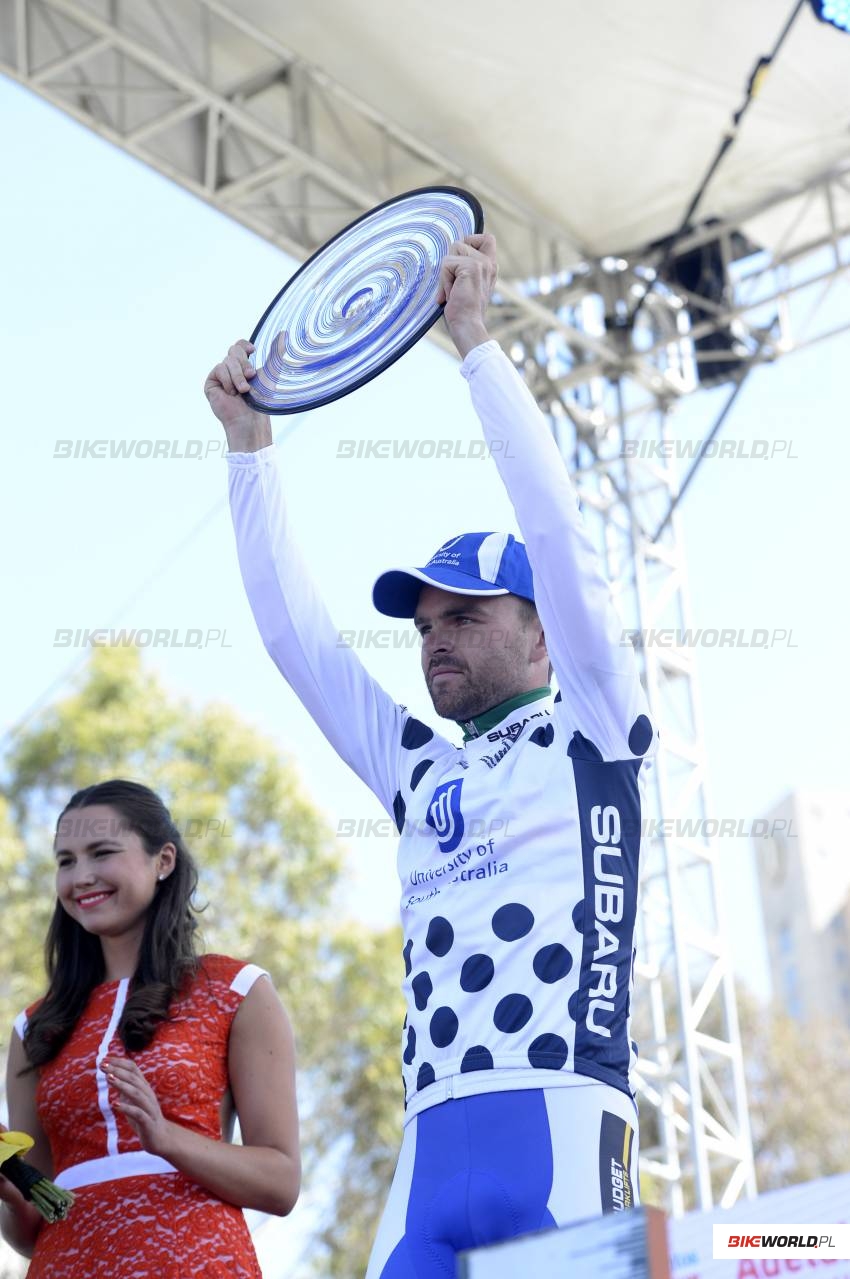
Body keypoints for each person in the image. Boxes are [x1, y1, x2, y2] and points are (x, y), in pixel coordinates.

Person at [205, 233, 658, 1276]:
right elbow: (295, 639)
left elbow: (557, 534)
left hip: (560, 1121)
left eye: (464, 615)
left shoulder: (593, 717)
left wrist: (474, 348)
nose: (435, 636)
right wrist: (247, 445)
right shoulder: (416, 767)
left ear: (542, 634)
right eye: (421, 625)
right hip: (426, 1152)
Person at [0, 779, 300, 1278]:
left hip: (197, 1261)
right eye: (66, 861)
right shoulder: (33, 1026)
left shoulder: (235, 989)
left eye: (102, 853)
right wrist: (13, 1192)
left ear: (163, 861)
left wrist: (166, 1139)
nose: (82, 877)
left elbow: (282, 1182)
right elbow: (33, 1229)